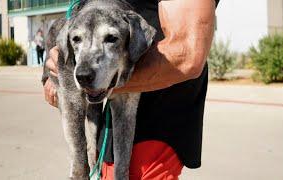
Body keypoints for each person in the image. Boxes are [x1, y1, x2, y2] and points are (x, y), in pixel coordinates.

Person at [43, 0, 220, 179]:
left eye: (110, 38)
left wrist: (111, 79)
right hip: (111, 130)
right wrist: (54, 78)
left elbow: (188, 56)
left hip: (159, 119)